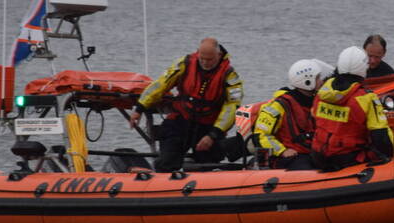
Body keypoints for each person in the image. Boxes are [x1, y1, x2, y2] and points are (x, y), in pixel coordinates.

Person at [129, 37, 243, 172]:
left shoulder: (229, 75)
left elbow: (232, 106)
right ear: (198, 54)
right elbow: (160, 85)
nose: (205, 63)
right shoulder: (185, 64)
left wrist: (213, 135)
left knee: (208, 162)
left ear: (218, 55)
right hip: (180, 121)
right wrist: (140, 108)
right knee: (167, 161)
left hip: (208, 127)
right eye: (202, 59)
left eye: (210, 60)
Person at [311, 46, 394, 170]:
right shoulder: (366, 98)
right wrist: (392, 157)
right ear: (363, 68)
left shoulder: (323, 91)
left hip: (318, 156)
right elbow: (380, 136)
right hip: (348, 158)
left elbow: (314, 118)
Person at [253, 58, 331, 170]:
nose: (322, 82)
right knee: (308, 171)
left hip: (312, 152)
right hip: (293, 156)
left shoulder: (316, 102)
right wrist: (282, 151)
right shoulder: (280, 105)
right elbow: (261, 134)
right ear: (307, 81)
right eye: (318, 78)